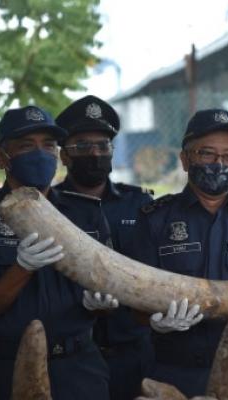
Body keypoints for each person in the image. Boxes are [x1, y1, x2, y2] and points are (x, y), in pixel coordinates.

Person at [131, 109, 228, 399]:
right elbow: (132, 299)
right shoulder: (154, 220)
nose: (219, 164)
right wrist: (155, 321)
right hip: (171, 371)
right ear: (185, 159)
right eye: (207, 154)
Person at [0, 106, 117, 400]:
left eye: (48, 145)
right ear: (1, 157)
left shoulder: (86, 214)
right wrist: (22, 267)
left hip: (80, 369)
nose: (41, 153)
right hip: (5, 369)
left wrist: (102, 303)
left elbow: (110, 296)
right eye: (26, 146)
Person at [55, 95, 154, 400]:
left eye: (103, 145)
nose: (95, 153)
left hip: (134, 352)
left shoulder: (140, 204)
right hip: (69, 356)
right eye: (82, 146)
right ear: (65, 156)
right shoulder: (49, 208)